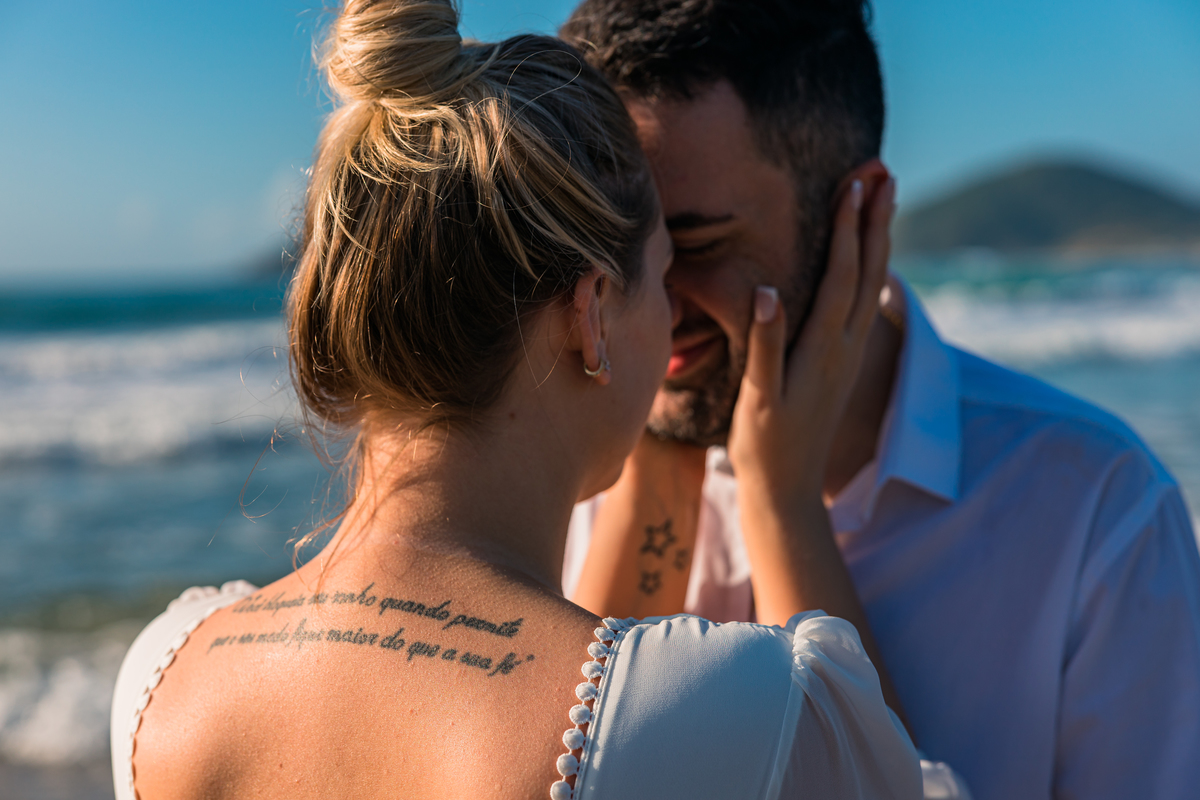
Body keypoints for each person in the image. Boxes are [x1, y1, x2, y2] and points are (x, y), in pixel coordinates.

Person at [109, 2, 923, 798]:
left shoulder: (161, 681)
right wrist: (781, 503)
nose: (674, 314)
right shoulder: (744, 705)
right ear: (591, 313)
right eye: (665, 269)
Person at [559, 2, 1200, 800]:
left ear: (856, 209)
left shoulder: (1102, 516)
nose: (640, 301)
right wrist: (644, 478)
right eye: (602, 248)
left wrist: (778, 501)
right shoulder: (565, 469)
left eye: (696, 246)